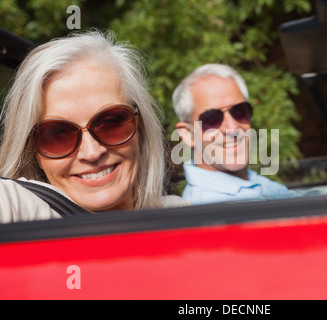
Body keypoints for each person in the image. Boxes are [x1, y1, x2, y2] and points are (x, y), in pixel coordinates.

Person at [0, 30, 189, 224]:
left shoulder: (177, 212)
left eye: (111, 123)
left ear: (139, 126)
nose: (92, 153)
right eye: (58, 135)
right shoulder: (23, 208)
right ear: (33, 151)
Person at [172, 63, 294, 205]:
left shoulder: (257, 183)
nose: (232, 128)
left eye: (239, 111)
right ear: (188, 134)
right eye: (211, 119)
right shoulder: (210, 211)